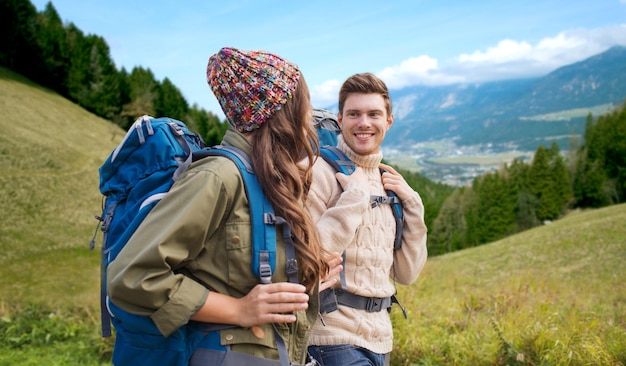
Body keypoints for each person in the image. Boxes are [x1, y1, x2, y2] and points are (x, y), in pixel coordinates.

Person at [107, 47, 341, 365]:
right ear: (280, 110)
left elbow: (230, 271)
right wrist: (238, 310)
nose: (309, 114)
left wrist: (308, 270)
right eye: (303, 102)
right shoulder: (218, 176)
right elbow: (132, 276)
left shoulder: (269, 179)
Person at [306, 72, 428, 366]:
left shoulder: (390, 182)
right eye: (354, 114)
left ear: (389, 120)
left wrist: (413, 205)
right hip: (330, 337)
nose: (364, 123)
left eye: (374, 114)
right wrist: (353, 200)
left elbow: (406, 273)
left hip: (381, 338)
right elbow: (307, 260)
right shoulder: (319, 173)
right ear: (340, 119)